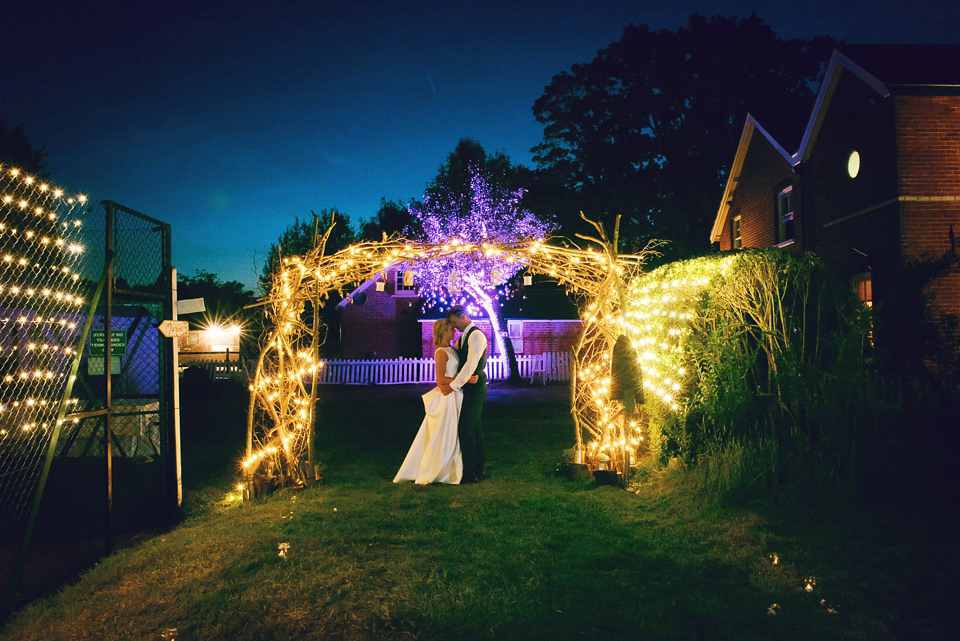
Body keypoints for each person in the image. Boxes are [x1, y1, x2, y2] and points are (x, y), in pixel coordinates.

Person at [394, 319, 476, 485]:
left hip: (456, 394)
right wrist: (465, 379)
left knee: (454, 433)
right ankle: (439, 468)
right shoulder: (440, 352)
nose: (454, 332)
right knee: (445, 433)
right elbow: (440, 380)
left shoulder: (452, 349)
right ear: (444, 332)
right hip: (447, 397)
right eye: (451, 330)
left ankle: (452, 467)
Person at [445, 305, 489, 483]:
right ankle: (478, 468)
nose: (455, 327)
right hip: (468, 387)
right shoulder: (464, 337)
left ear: (464, 316)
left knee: (466, 428)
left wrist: (453, 385)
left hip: (476, 388)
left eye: (456, 322)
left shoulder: (476, 335)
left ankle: (470, 473)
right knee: (475, 428)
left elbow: (471, 364)